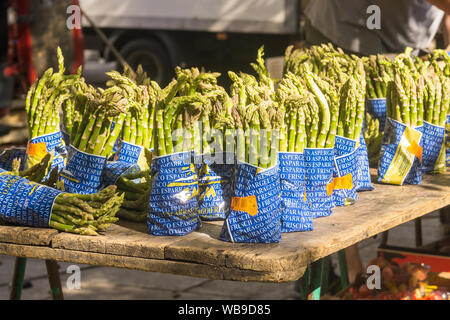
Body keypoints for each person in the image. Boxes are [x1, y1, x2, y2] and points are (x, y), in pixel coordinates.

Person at [301, 0, 450, 287]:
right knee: (338, 142)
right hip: (343, 28)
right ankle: (340, 273)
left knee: (389, 140)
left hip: (406, 37)